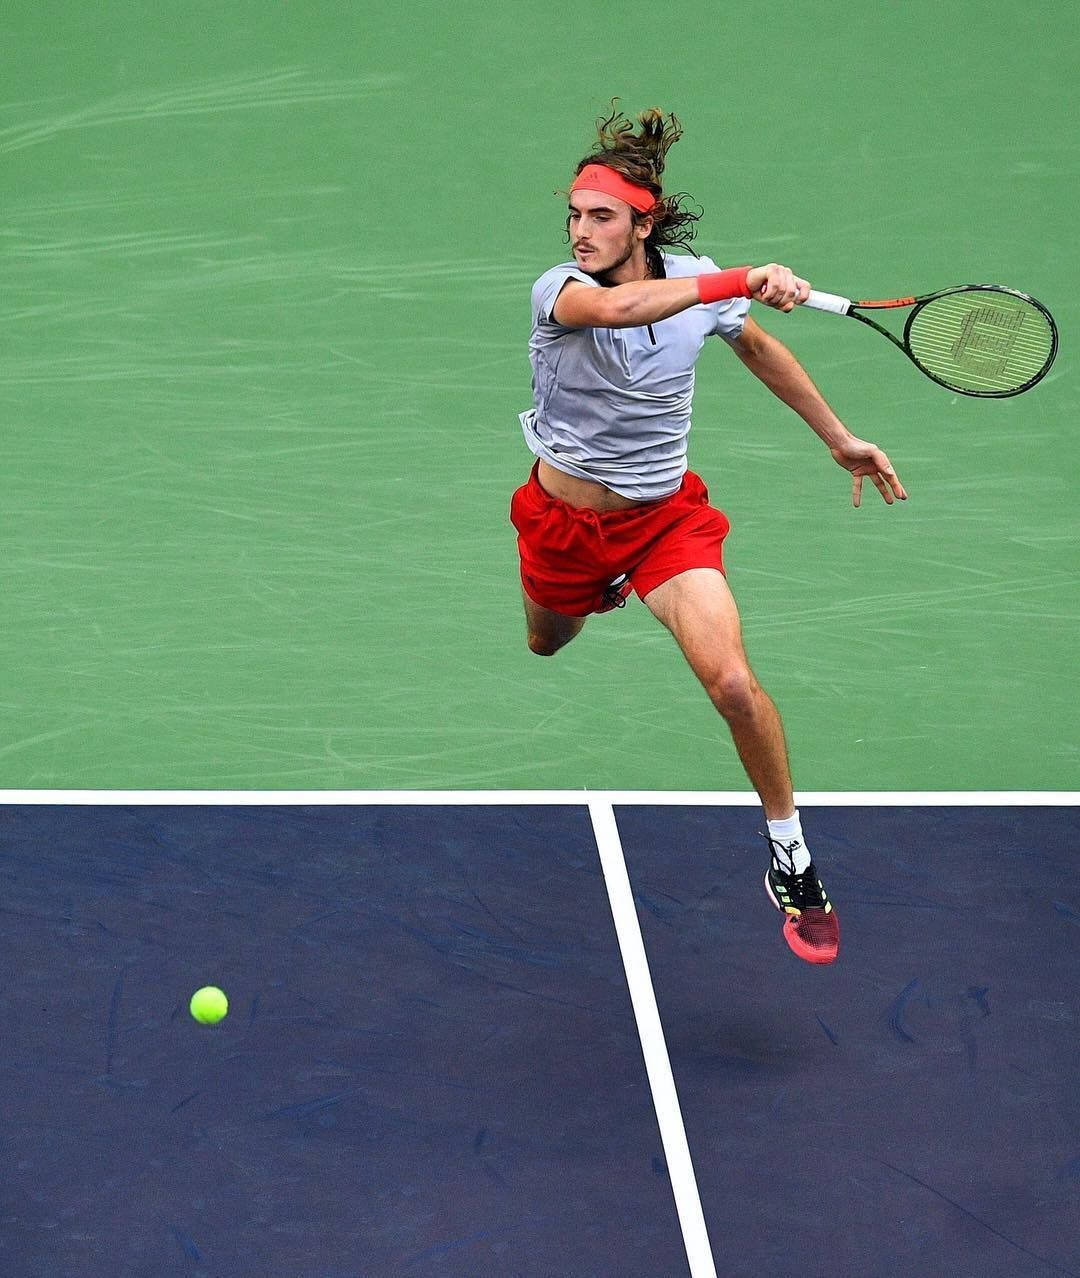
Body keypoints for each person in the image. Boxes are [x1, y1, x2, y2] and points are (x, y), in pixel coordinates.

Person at [511, 104, 907, 965]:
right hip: (563, 525)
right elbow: (627, 314)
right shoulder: (561, 292)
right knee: (547, 642)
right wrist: (741, 277)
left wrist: (837, 436)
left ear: (641, 222)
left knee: (730, 681)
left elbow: (757, 347)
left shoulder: (697, 281)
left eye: (601, 217)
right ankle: (595, 594)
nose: (580, 232)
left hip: (665, 524)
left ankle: (791, 857)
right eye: (574, 215)